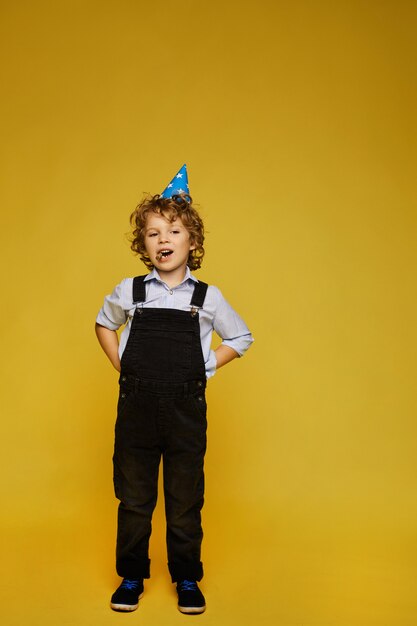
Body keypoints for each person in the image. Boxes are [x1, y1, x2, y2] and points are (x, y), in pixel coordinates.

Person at [95, 165, 253, 614]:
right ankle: (131, 576)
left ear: (192, 242)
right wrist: (121, 364)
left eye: (174, 230)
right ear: (143, 245)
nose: (163, 239)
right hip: (137, 408)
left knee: (185, 497)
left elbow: (240, 338)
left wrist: (207, 365)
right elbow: (104, 324)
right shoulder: (130, 292)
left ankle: (186, 576)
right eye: (152, 233)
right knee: (134, 496)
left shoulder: (206, 297)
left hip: (186, 410)